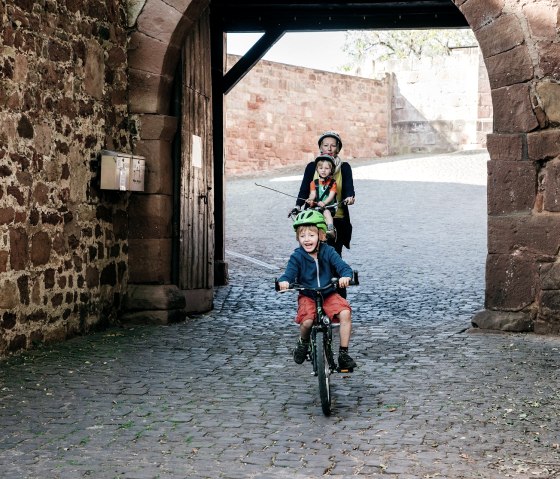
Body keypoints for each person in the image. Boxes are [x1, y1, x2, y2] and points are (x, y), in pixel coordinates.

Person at [277, 210, 357, 370]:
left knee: (345, 313)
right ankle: (303, 342)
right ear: (298, 238)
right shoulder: (297, 256)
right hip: (308, 295)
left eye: (311, 235)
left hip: (328, 293)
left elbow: (343, 267)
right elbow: (289, 273)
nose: (307, 239)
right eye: (302, 236)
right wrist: (284, 281)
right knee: (307, 322)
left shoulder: (328, 251)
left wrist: (346, 276)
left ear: (321, 235)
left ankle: (343, 353)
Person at [291, 131, 355, 258]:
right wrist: (298, 206)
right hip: (313, 216)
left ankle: (335, 275)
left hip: (337, 216)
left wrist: (350, 197)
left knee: (334, 254)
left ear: (338, 148)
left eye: (333, 145)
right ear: (320, 147)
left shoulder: (344, 168)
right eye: (326, 145)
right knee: (310, 251)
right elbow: (304, 190)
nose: (329, 149)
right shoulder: (311, 167)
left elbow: (349, 187)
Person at [306, 153, 338, 238]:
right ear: (317, 169)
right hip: (317, 206)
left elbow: (331, 195)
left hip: (329, 206)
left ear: (331, 170)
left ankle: (330, 229)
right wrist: (310, 199)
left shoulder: (333, 183)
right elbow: (313, 194)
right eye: (321, 168)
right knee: (308, 214)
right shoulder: (314, 183)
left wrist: (324, 202)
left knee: (326, 213)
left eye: (326, 168)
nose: (323, 170)